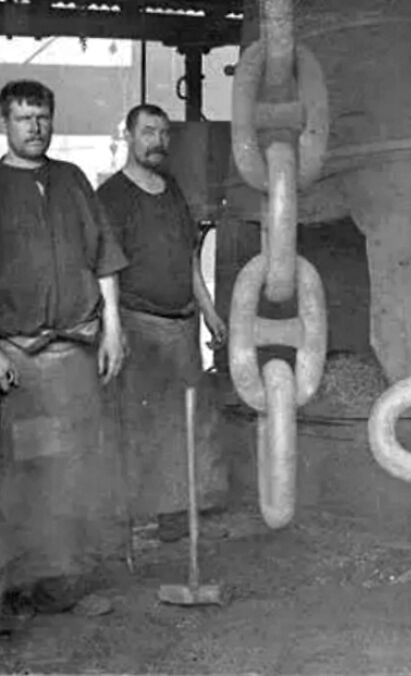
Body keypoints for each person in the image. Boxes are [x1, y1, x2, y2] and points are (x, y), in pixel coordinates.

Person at [0, 79, 128, 617]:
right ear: (5, 124)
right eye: (25, 118)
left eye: (43, 117)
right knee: (23, 473)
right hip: (19, 358)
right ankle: (12, 589)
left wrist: (115, 329)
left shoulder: (73, 180)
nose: (36, 127)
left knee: (74, 469)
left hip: (75, 351)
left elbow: (103, 260)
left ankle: (59, 583)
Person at [98, 103, 227, 543]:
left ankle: (176, 511)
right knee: (141, 424)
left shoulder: (171, 188)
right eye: (148, 132)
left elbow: (188, 257)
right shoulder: (111, 197)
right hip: (139, 324)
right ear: (129, 137)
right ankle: (141, 518)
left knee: (184, 421)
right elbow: (104, 269)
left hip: (183, 325)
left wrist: (209, 312)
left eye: (164, 133)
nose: (158, 141)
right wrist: (111, 327)